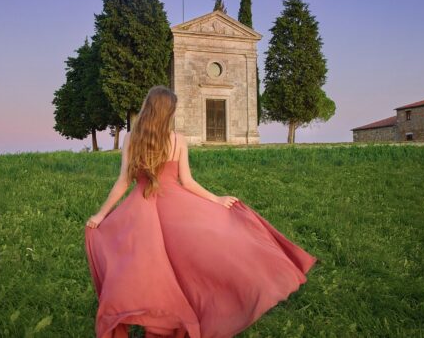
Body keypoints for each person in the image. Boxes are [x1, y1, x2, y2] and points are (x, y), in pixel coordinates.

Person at [84, 85, 318, 338]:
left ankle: (153, 306)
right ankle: (200, 304)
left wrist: (101, 214)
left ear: (147, 107)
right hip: (176, 205)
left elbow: (123, 180)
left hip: (140, 207)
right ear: (168, 112)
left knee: (144, 265)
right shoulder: (177, 140)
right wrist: (215, 199)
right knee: (191, 257)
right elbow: (188, 181)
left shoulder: (132, 138)